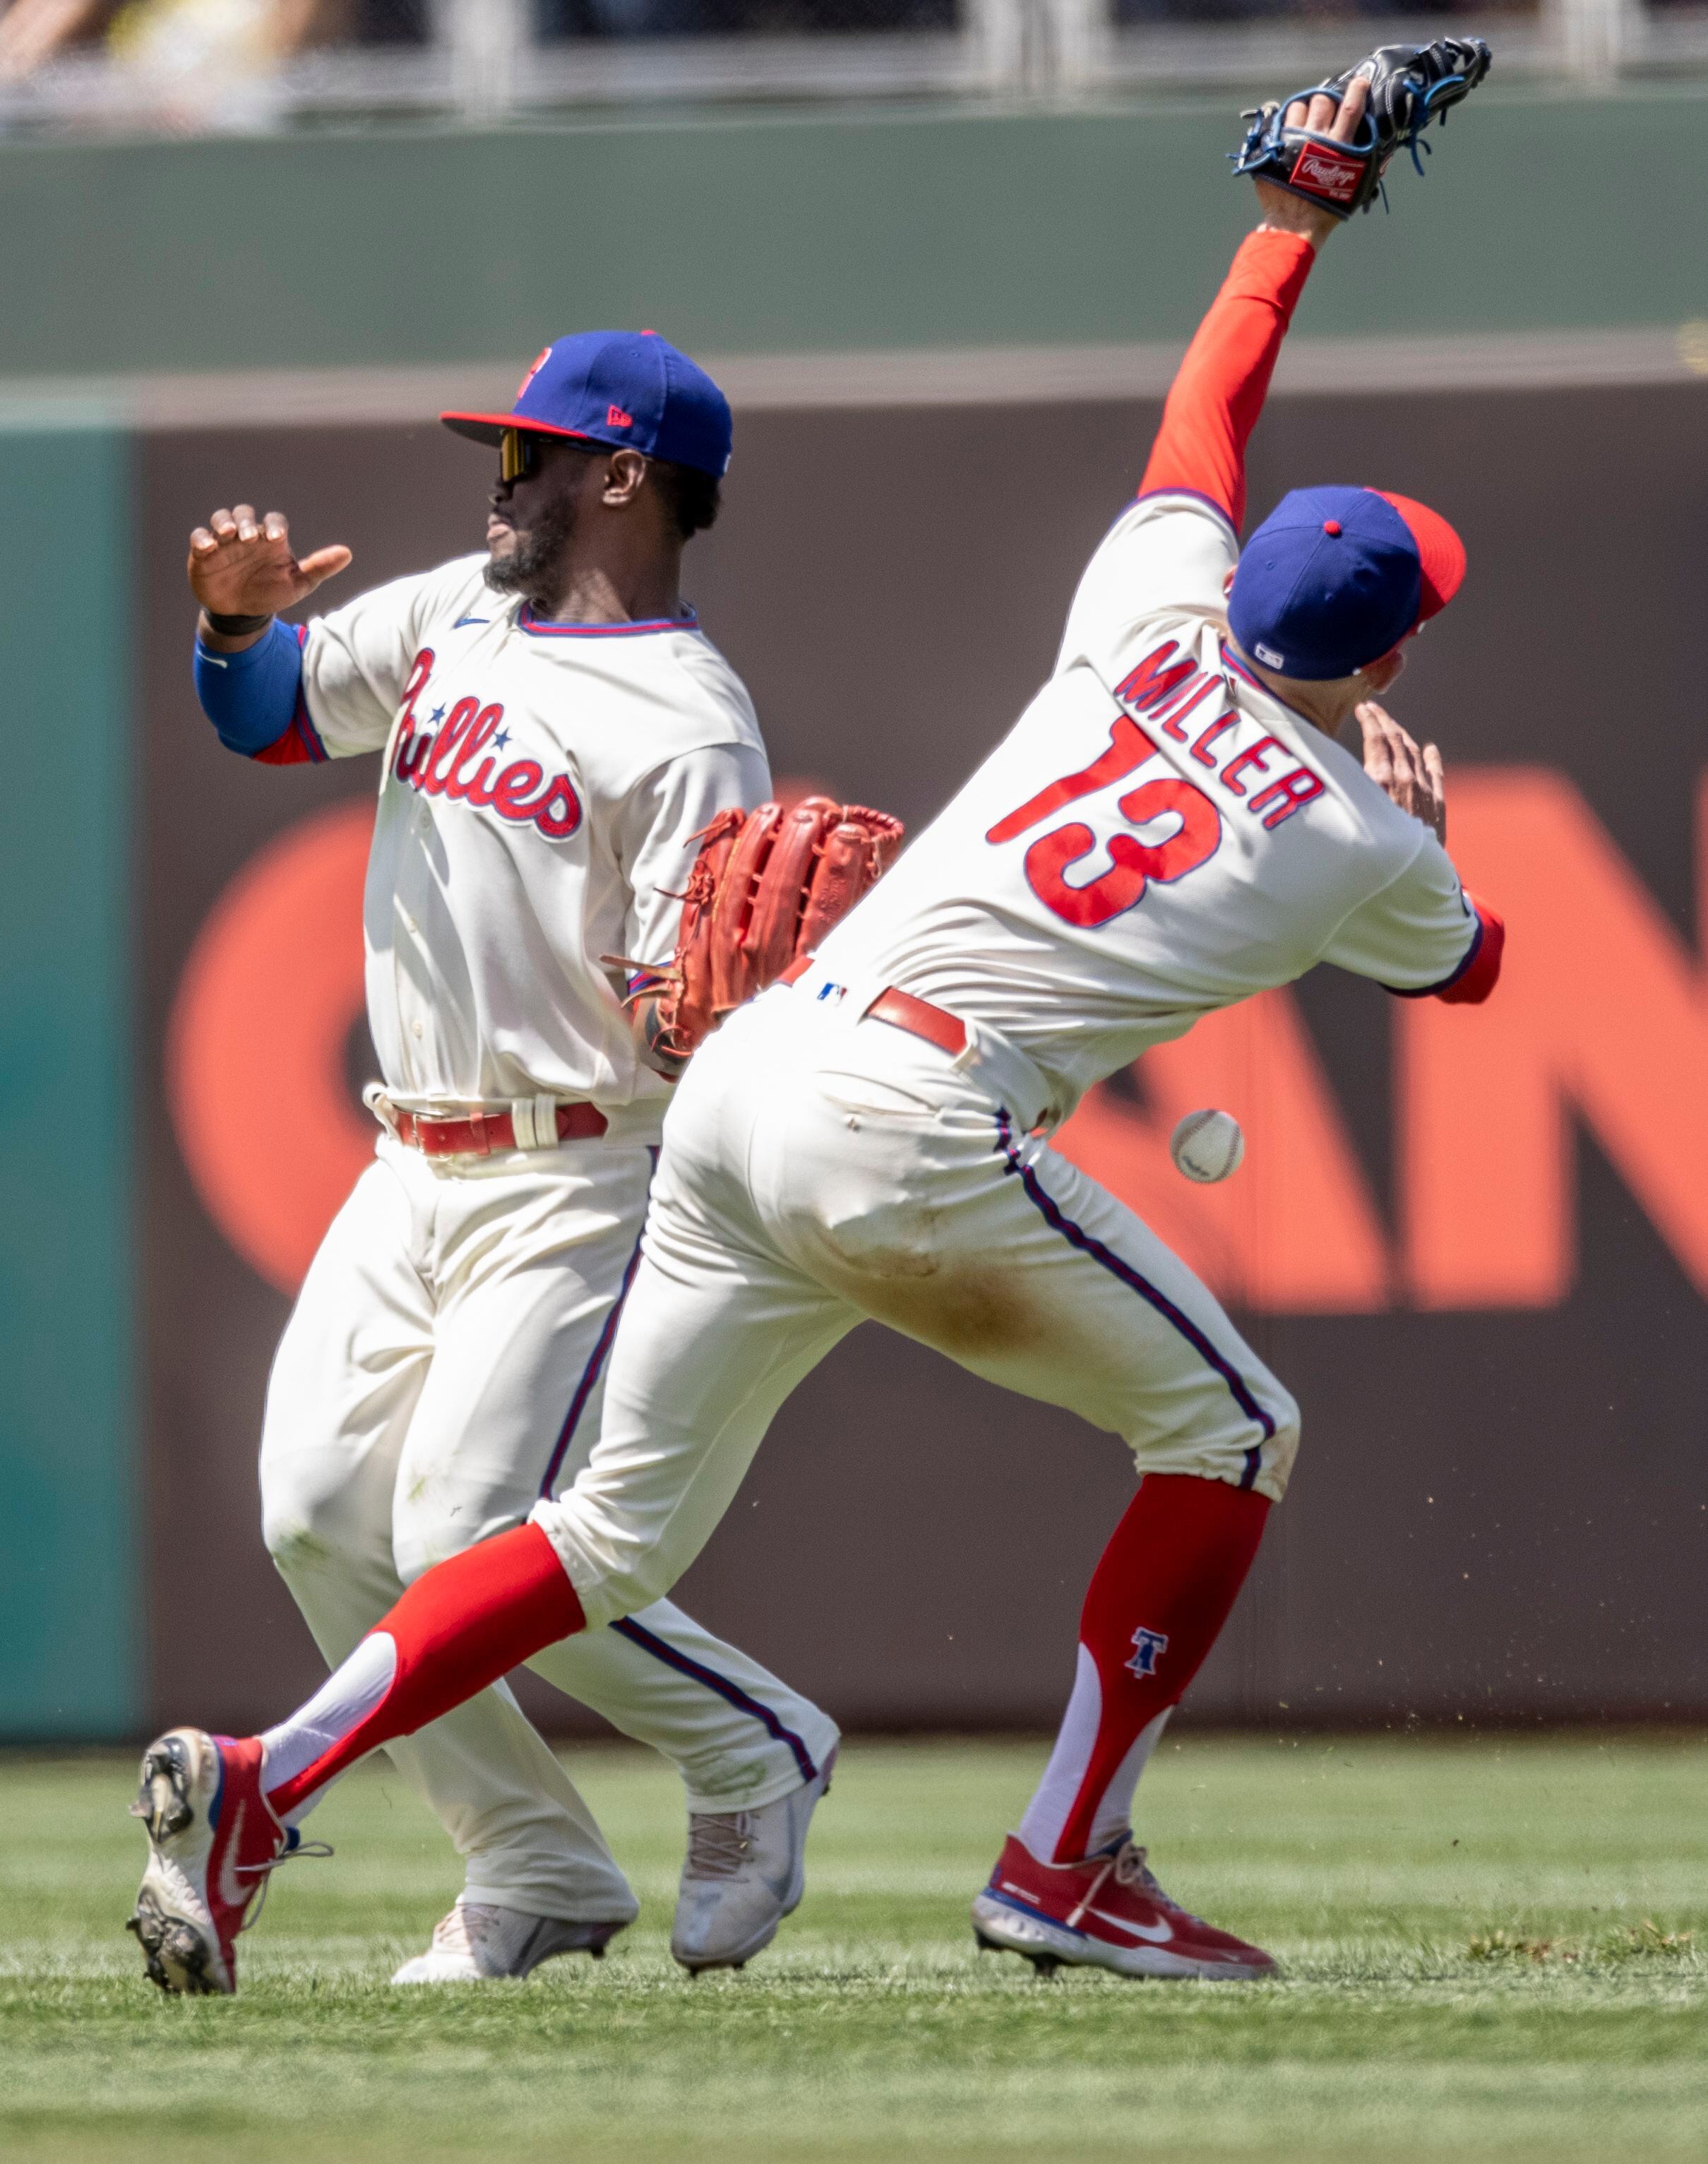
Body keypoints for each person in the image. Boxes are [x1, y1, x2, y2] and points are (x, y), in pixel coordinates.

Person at [130, 66, 1502, 1992]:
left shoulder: (1135, 603)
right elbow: (1468, 970)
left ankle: (296, 1782)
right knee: (1230, 1428)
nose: (499, 474)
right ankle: (1040, 1861)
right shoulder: (1353, 835)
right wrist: (1426, 846)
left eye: (530, 450)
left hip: (694, 1115)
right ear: (1386, 655)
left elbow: (1202, 421)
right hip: (826, 1114)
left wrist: (1290, 218)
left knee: (553, 1534)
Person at [132, 331, 840, 1997]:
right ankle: (531, 1853)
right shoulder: (462, 605)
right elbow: (269, 714)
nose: (498, 477)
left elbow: (695, 1034)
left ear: (622, 478)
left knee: (476, 1531)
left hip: (580, 1170)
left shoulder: (690, 722)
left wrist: (700, 1012)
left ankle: (756, 1742)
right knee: (314, 1516)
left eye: (530, 452)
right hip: (410, 1157)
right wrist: (232, 622)